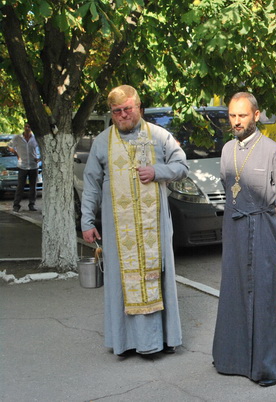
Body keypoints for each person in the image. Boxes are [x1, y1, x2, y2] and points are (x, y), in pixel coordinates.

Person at [81, 85, 187, 356]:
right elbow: (91, 184)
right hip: (118, 231)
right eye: (116, 111)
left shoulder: (159, 136)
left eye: (127, 109)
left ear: (138, 107)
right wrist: (87, 221)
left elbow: (182, 166)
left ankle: (162, 340)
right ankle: (126, 342)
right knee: (120, 281)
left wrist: (157, 171)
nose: (123, 115)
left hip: (155, 229)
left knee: (157, 278)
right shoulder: (102, 142)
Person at [213, 92, 276, 386]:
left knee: (266, 296)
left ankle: (268, 367)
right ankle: (231, 360)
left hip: (265, 232)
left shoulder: (274, 152)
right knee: (233, 292)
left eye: (242, 115)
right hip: (234, 231)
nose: (236, 121)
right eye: (232, 116)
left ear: (256, 116)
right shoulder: (226, 150)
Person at [8, 123, 40, 212]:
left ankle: (32, 204)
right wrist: (16, 153)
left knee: (33, 187)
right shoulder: (18, 138)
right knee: (20, 186)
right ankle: (16, 205)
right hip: (22, 166)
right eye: (26, 126)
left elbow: (43, 148)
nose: (27, 128)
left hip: (33, 166)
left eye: (29, 127)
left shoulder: (35, 138)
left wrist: (39, 158)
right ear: (24, 127)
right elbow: (9, 146)